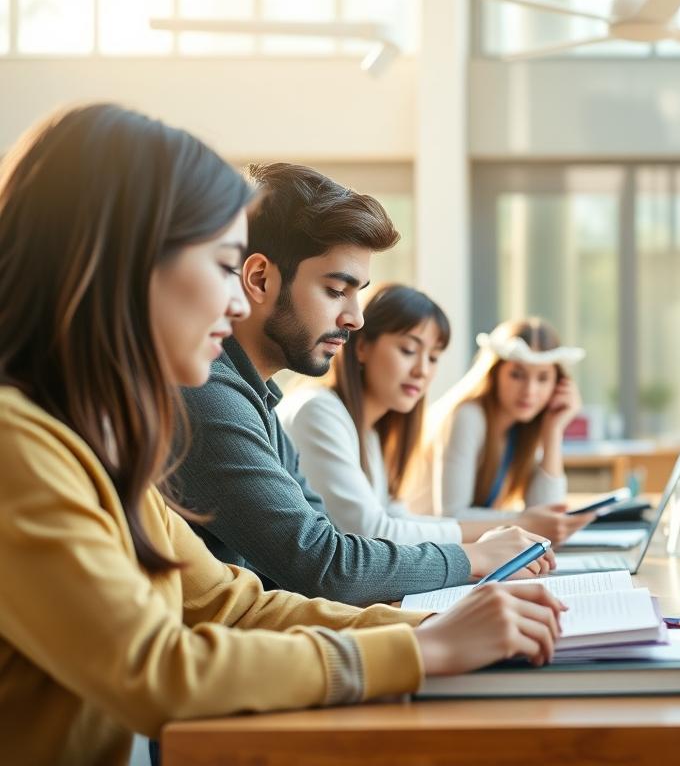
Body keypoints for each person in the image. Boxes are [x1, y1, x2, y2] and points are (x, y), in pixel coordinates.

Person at [0, 104, 565, 765]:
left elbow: (233, 605)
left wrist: (441, 629)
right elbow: (155, 670)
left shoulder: (99, 444)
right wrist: (420, 649)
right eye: (220, 266)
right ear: (122, 263)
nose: (238, 302)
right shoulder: (18, 446)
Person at [168, 162, 553, 607]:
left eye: (358, 292)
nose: (356, 318)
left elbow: (330, 540)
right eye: (336, 291)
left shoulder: (260, 404)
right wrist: (473, 557)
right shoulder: (208, 394)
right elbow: (326, 568)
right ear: (259, 279)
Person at [280, 283, 507, 545]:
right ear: (362, 347)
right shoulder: (317, 410)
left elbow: (396, 516)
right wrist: (496, 532)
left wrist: (506, 528)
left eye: (433, 357)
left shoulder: (369, 432)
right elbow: (371, 531)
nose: (422, 370)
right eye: (409, 350)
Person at [406, 318, 592, 545]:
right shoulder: (468, 416)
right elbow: (451, 516)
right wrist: (527, 521)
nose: (530, 391)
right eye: (517, 375)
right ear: (494, 373)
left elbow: (545, 519)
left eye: (543, 378)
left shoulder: (522, 430)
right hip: (422, 553)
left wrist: (553, 432)